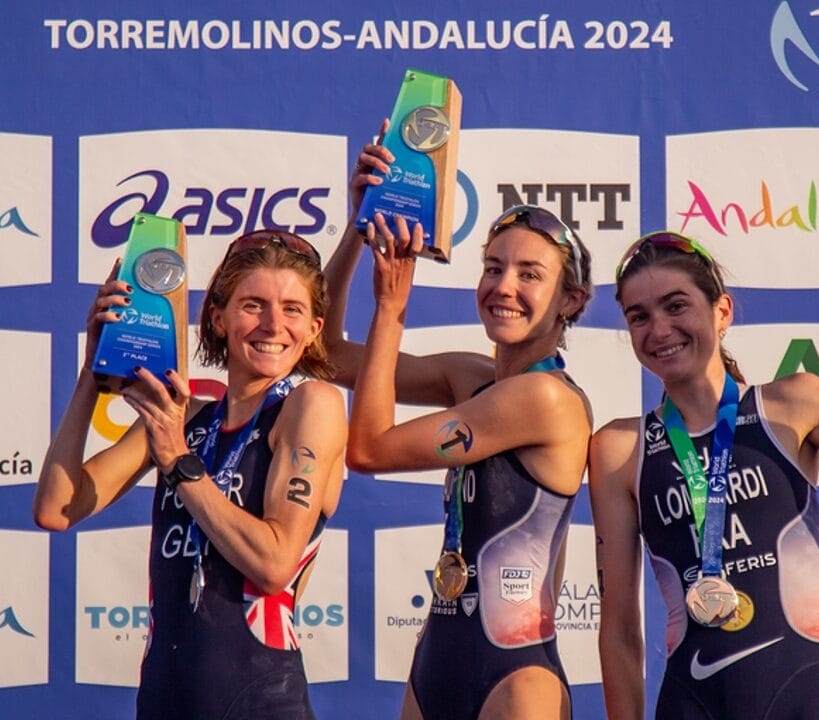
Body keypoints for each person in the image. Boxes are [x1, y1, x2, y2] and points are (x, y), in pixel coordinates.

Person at [323, 132, 594, 719]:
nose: (504, 287)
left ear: (570, 300)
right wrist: (360, 224)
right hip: (438, 659)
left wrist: (391, 310)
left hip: (516, 677)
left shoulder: (547, 400)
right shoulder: (470, 378)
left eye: (530, 275)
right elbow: (324, 353)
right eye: (494, 268)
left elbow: (369, 449)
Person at [588, 231, 819, 719]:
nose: (658, 329)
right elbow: (618, 630)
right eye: (639, 316)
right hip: (691, 703)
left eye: (676, 306)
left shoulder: (794, 403)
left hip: (805, 699)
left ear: (722, 311)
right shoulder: (619, 449)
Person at [33, 230, 346, 720]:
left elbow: (275, 563)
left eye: (292, 309)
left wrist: (179, 462)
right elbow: (55, 508)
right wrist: (93, 372)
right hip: (163, 699)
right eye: (253, 304)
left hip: (261, 700)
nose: (272, 323)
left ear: (313, 328)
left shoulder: (311, 406)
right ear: (218, 319)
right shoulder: (183, 419)